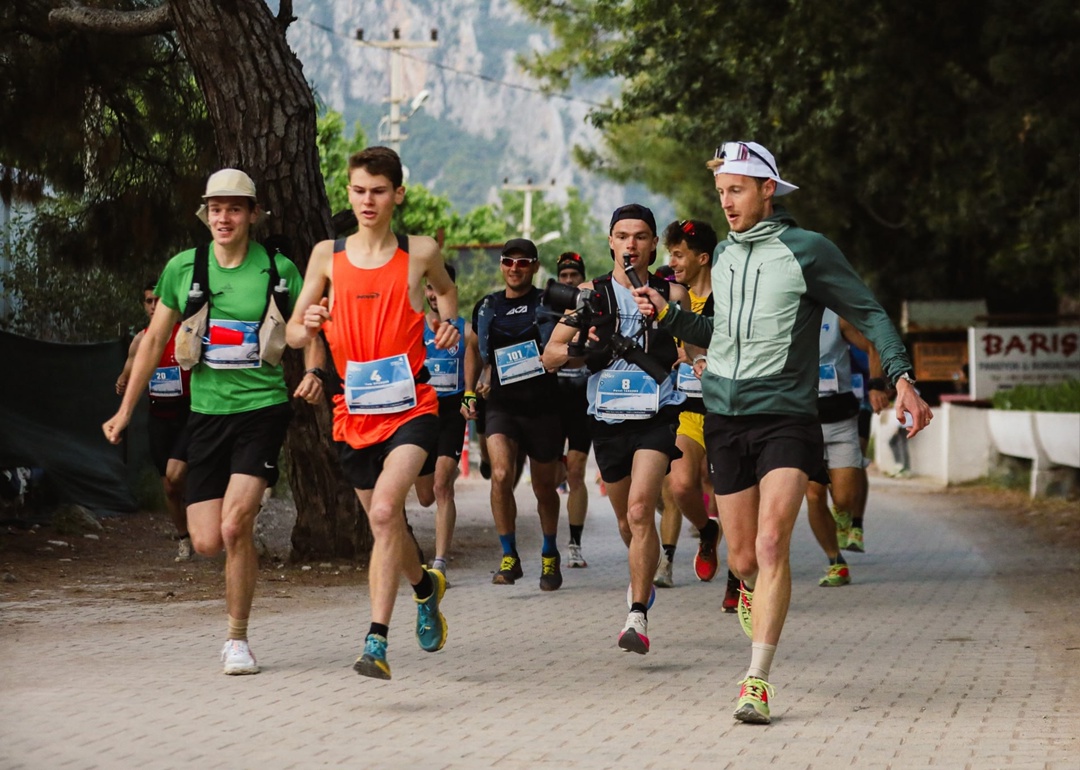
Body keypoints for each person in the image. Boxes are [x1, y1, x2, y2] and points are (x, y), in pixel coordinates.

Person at [632, 141, 932, 723]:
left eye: (737, 190)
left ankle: (757, 680)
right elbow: (719, 330)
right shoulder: (724, 256)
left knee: (773, 544)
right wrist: (668, 316)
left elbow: (868, 313)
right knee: (745, 557)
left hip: (788, 417)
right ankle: (749, 585)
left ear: (768, 189)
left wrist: (901, 378)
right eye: (721, 192)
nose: (727, 202)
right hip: (724, 417)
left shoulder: (809, 250)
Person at [104, 168, 324, 675]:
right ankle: (235, 552)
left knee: (234, 524)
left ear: (253, 215)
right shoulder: (184, 268)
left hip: (261, 410)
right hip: (205, 415)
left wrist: (314, 370)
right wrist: (124, 411)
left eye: (235, 209)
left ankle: (237, 640)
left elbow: (309, 327)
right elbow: (152, 343)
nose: (224, 218)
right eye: (217, 209)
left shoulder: (278, 268)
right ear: (206, 214)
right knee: (206, 540)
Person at [287, 146, 457, 681]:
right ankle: (425, 589)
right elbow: (292, 332)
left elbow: (448, 293)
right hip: (353, 412)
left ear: (397, 195)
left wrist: (447, 326)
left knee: (385, 513)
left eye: (379, 191)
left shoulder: (420, 251)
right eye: (359, 190)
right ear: (349, 191)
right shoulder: (325, 256)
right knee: (387, 524)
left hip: (412, 407)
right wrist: (307, 323)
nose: (368, 200)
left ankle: (376, 641)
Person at [542, 203, 688, 655]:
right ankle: (642, 576)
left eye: (640, 236)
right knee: (628, 522)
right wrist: (582, 348)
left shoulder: (672, 294)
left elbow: (694, 349)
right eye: (623, 236)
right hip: (608, 419)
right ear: (610, 241)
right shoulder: (590, 295)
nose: (631, 244)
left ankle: (637, 616)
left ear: (653, 244)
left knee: (643, 510)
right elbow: (550, 356)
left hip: (657, 415)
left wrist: (688, 358)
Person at [463, 238, 563, 590]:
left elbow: (568, 343)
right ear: (501, 265)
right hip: (502, 407)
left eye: (523, 262)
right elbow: (472, 347)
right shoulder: (487, 306)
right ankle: (509, 555)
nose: (515, 268)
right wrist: (470, 391)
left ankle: (550, 553)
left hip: (544, 407)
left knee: (544, 487)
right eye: (508, 261)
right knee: (501, 474)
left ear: (535, 266)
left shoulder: (548, 303)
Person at [654, 220, 740, 611]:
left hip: (727, 408)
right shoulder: (674, 299)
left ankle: (737, 579)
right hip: (688, 408)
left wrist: (702, 355)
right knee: (681, 485)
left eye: (678, 255)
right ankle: (707, 531)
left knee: (731, 495)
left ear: (703, 258)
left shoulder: (730, 295)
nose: (671, 263)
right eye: (670, 254)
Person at [805, 310, 887, 586]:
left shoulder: (835, 316)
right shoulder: (781, 314)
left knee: (843, 499)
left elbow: (872, 345)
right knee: (814, 496)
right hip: (804, 423)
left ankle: (844, 518)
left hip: (840, 420)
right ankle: (835, 561)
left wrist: (876, 385)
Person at [116, 282, 193, 562]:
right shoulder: (141, 339)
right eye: (148, 301)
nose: (153, 306)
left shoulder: (186, 333)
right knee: (170, 486)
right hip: (159, 417)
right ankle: (185, 538)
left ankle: (204, 516)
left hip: (188, 414)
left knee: (178, 474)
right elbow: (128, 372)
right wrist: (122, 381)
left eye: (158, 300)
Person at [413, 264, 469, 585]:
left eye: (440, 288)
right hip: (422, 413)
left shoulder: (464, 330)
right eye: (429, 288)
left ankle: (440, 562)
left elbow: (480, 364)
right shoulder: (412, 328)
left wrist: (476, 392)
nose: (434, 295)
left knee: (441, 487)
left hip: (450, 413)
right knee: (425, 496)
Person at [552, 251, 592, 568]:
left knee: (576, 471)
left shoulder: (594, 308)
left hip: (582, 397)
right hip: (552, 399)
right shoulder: (547, 310)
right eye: (563, 276)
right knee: (551, 476)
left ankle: (574, 544)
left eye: (573, 276)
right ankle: (547, 541)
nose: (568, 281)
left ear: (582, 279)